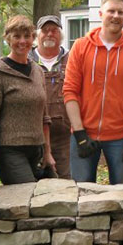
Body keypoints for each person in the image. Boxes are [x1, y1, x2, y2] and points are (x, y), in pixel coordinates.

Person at [63, 0, 123, 184]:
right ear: (101, 14)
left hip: (121, 136)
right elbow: (70, 91)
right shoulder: (80, 47)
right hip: (84, 132)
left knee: (122, 194)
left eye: (121, 12)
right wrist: (79, 133)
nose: (116, 16)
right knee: (82, 194)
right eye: (111, 11)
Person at [0, 15, 54, 192]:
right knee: (29, 195)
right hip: (9, 152)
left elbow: (44, 117)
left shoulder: (37, 71)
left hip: (37, 151)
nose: (22, 41)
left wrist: (48, 153)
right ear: (8, 39)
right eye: (16, 36)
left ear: (33, 39)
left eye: (27, 36)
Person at [31, 15, 71, 179]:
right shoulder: (26, 59)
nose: (49, 34)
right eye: (45, 30)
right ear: (37, 35)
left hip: (65, 138)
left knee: (65, 185)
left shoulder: (72, 58)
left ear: (60, 35)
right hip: (33, 138)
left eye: (54, 30)